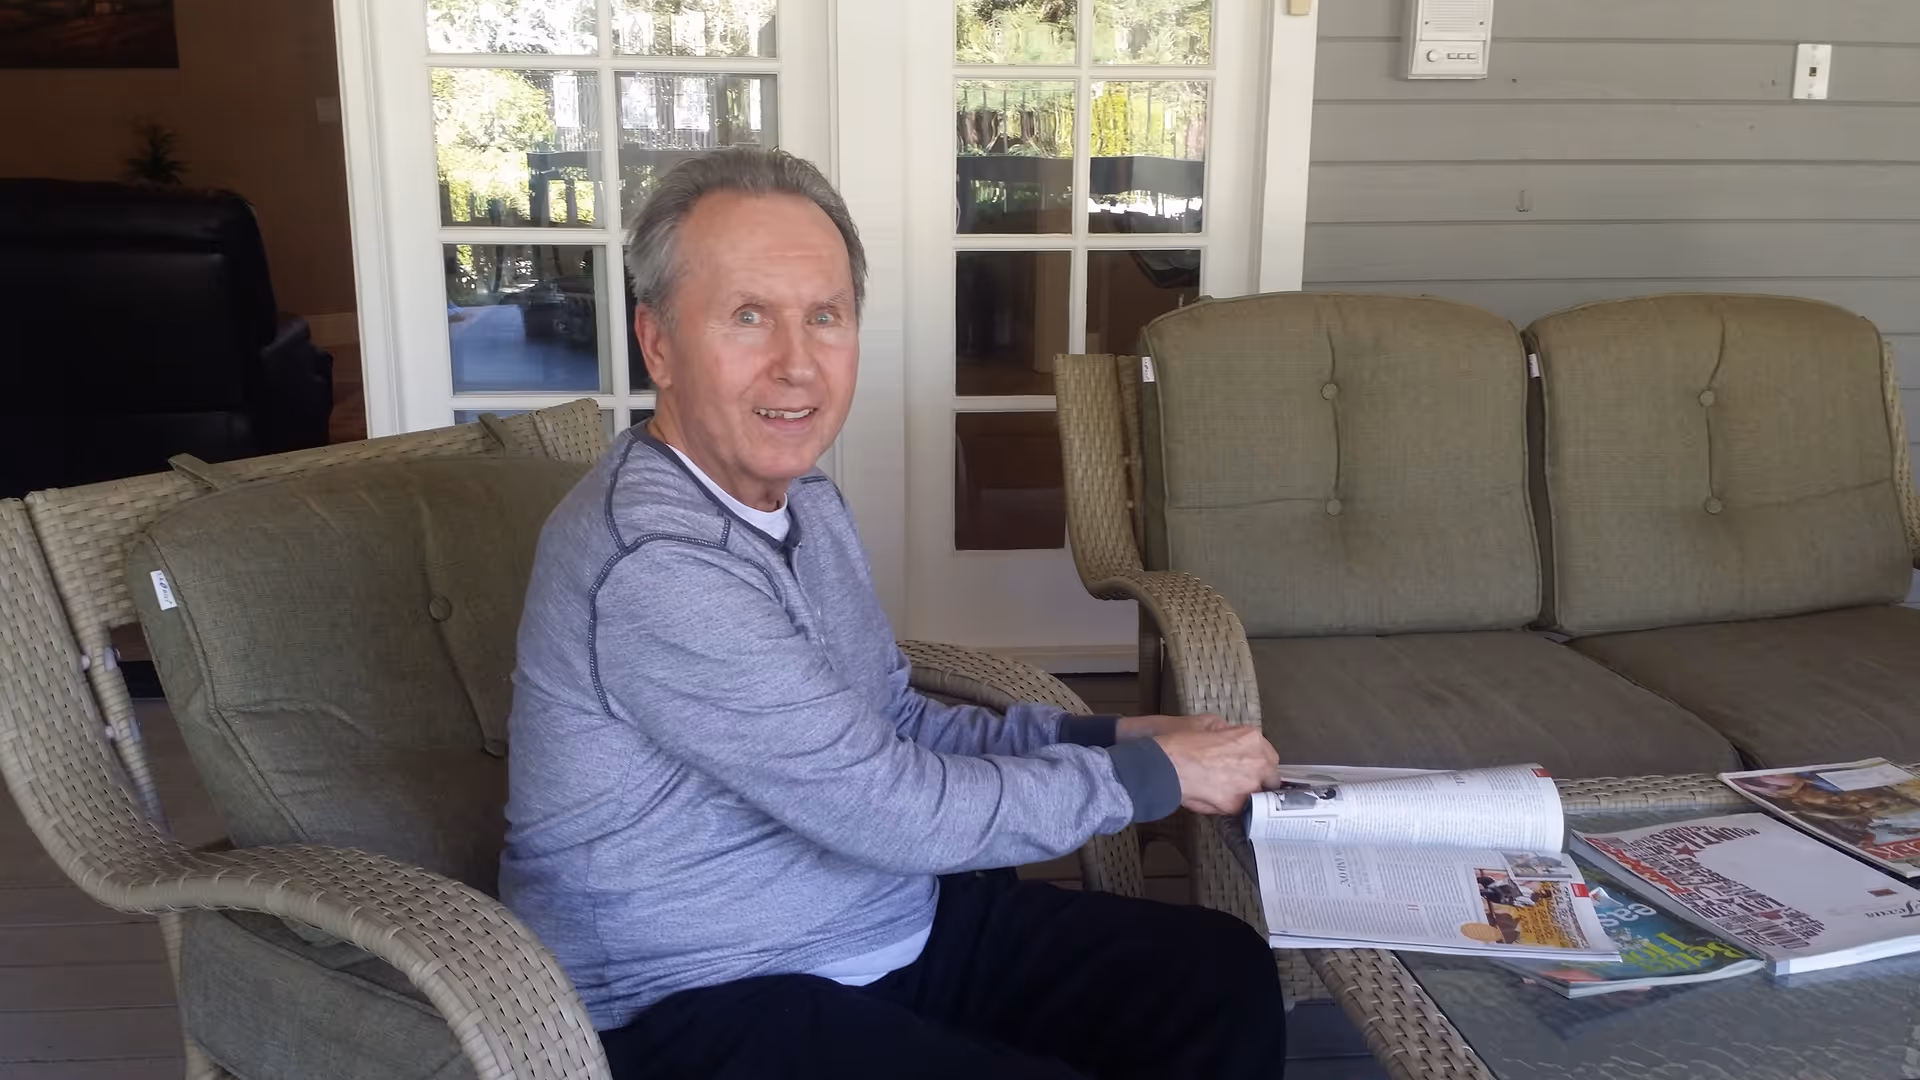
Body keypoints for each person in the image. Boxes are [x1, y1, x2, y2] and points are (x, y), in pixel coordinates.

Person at [501, 146, 1285, 1079]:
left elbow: (896, 723)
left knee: (1212, 974)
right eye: (749, 316)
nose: (798, 366)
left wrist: (1108, 731)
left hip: (881, 925)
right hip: (700, 993)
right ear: (659, 343)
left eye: (825, 317)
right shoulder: (657, 564)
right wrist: (1141, 779)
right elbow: (894, 811)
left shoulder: (804, 503)